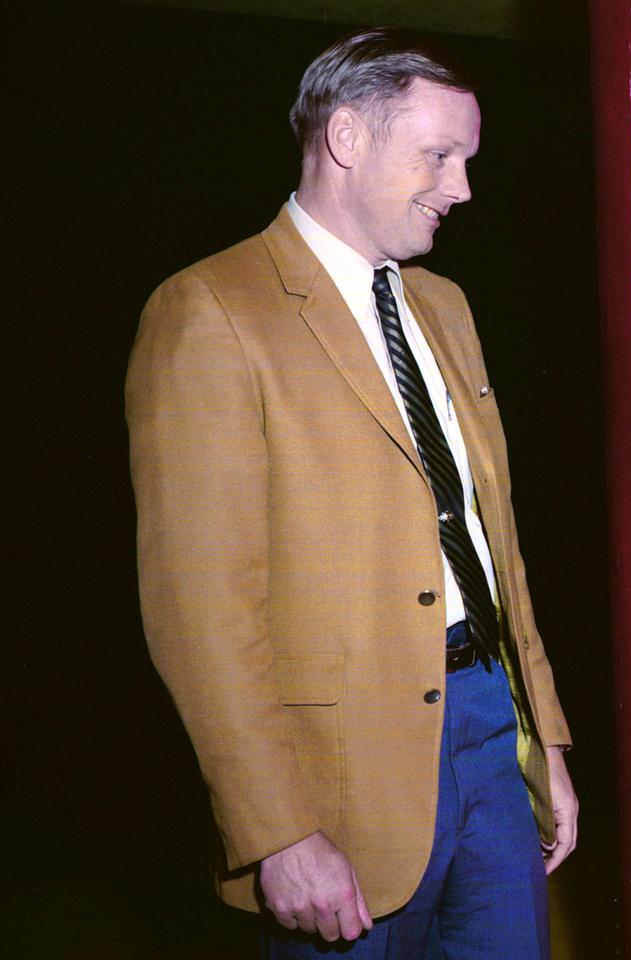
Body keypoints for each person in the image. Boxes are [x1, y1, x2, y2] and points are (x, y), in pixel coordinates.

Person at [126, 28, 576, 959]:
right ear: (346, 139)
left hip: (493, 735)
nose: (462, 188)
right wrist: (276, 830)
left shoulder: (445, 305)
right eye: (439, 156)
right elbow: (199, 608)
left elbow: (495, 546)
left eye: (467, 159)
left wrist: (546, 745)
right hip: (335, 785)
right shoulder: (210, 310)